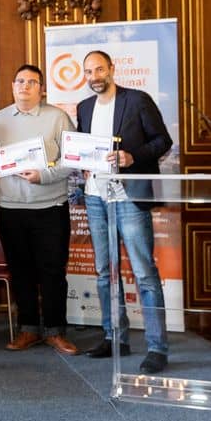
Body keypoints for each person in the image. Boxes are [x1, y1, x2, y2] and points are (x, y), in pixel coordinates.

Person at [77, 50, 173, 374]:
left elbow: (163, 140)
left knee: (144, 272)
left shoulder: (137, 100)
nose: (94, 76)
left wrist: (133, 158)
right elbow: (83, 151)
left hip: (129, 198)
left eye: (99, 69)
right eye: (89, 71)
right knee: (105, 272)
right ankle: (114, 336)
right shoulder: (84, 107)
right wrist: (82, 168)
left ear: (112, 69)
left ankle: (157, 347)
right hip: (95, 197)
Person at [0, 64, 79, 355]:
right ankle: (29, 329)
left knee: (53, 272)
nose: (24, 86)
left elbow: (72, 159)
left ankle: (56, 331)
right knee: (20, 271)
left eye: (32, 82)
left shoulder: (57, 117)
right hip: (10, 209)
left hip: (50, 207)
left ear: (41, 89)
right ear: (13, 86)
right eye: (20, 81)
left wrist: (43, 175)